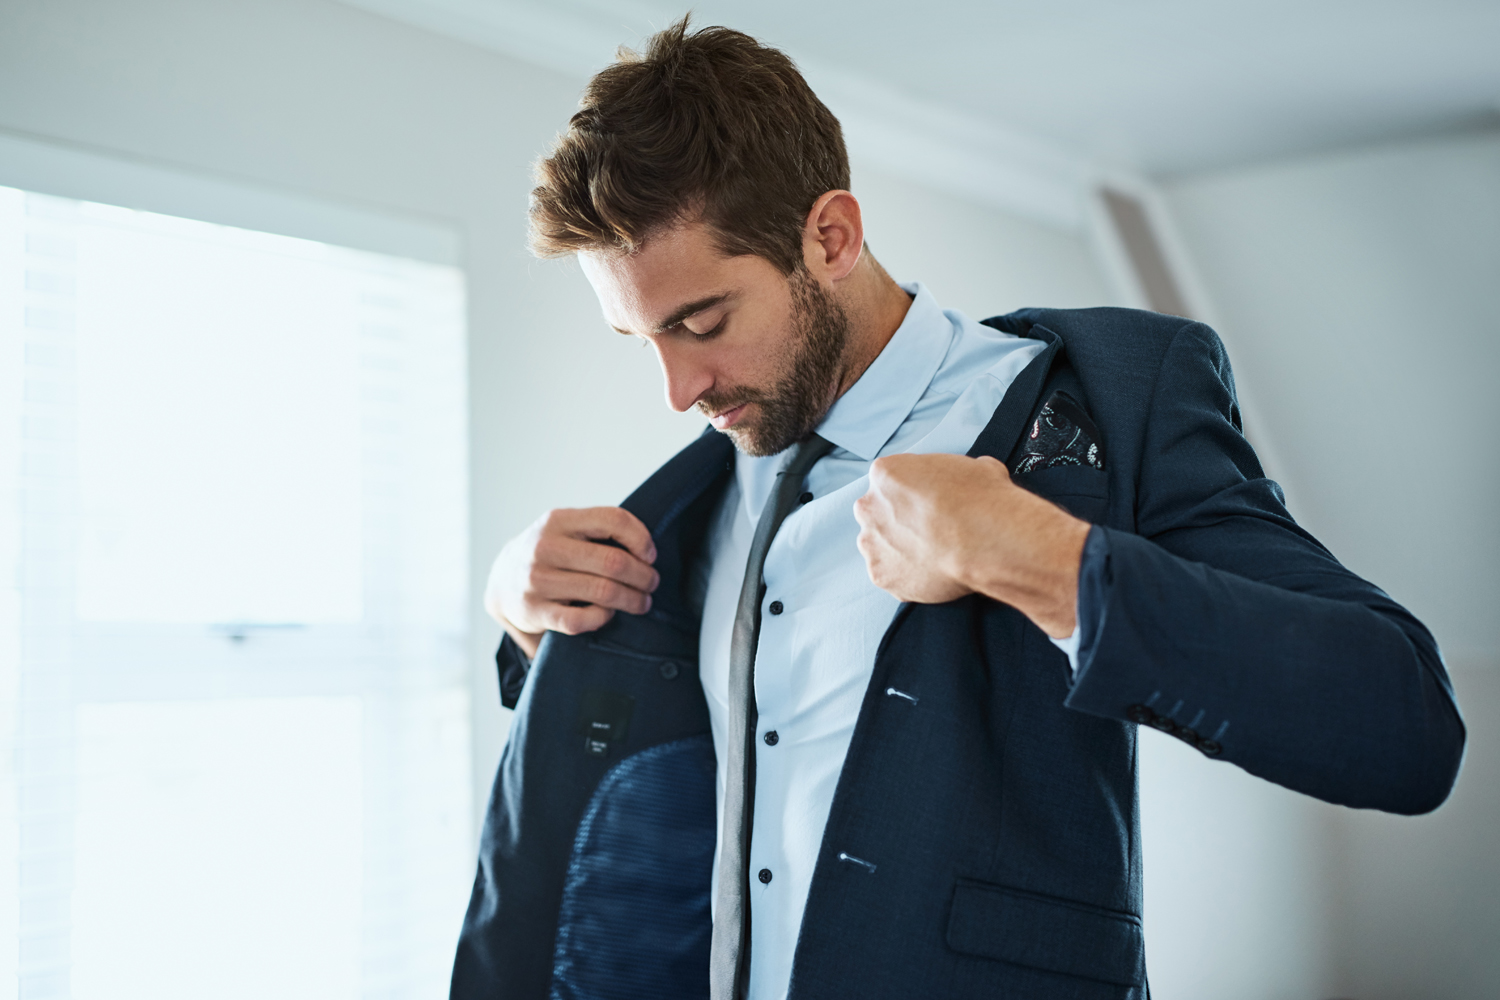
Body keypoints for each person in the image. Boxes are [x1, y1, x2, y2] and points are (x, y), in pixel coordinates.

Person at [450, 18, 1465, 1000]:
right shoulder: (704, 485)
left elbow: (1402, 722)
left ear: (832, 236)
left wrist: (1045, 559)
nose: (678, 391)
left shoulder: (1117, 397)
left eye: (702, 322)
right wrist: (520, 616)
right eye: (644, 341)